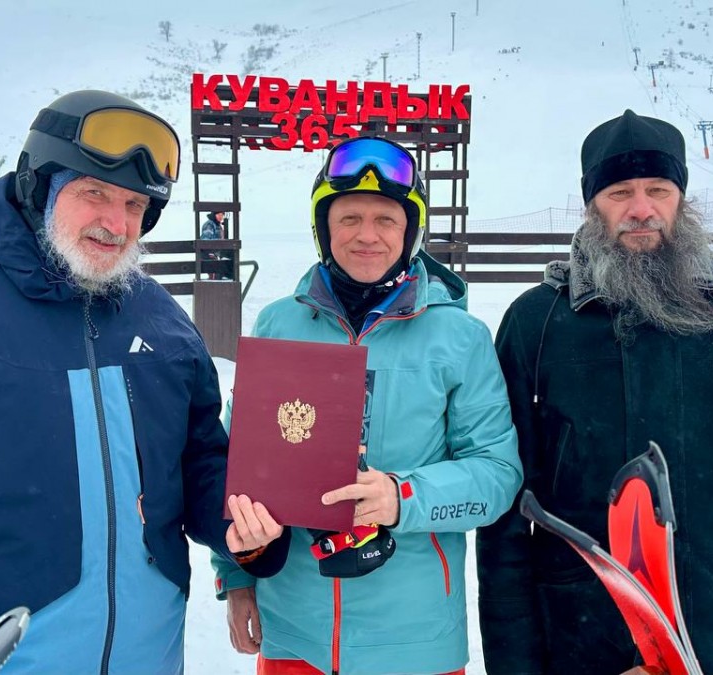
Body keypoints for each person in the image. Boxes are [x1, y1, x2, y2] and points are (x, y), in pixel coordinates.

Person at [0, 90, 283, 675]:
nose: (116, 224)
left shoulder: (165, 327)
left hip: (150, 656)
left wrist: (239, 525)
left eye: (135, 204)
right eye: (94, 193)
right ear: (39, 186)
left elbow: (200, 464)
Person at [477, 110, 713, 675]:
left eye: (658, 189)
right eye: (619, 192)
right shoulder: (539, 323)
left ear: (681, 199)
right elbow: (504, 517)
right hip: (581, 641)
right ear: (592, 205)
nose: (641, 208)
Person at [212, 137, 523, 675]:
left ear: (410, 231)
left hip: (415, 641)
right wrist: (236, 576)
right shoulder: (279, 324)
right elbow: (237, 464)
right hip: (294, 634)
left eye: (386, 219)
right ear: (323, 228)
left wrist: (402, 498)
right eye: (349, 218)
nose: (367, 235)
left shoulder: (460, 337)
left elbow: (497, 475)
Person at [200, 210, 230, 279]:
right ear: (214, 215)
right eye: (218, 215)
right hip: (208, 255)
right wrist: (211, 252)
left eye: (222, 215)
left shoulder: (218, 225)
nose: (220, 217)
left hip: (216, 254)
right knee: (214, 274)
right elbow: (206, 241)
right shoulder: (209, 225)